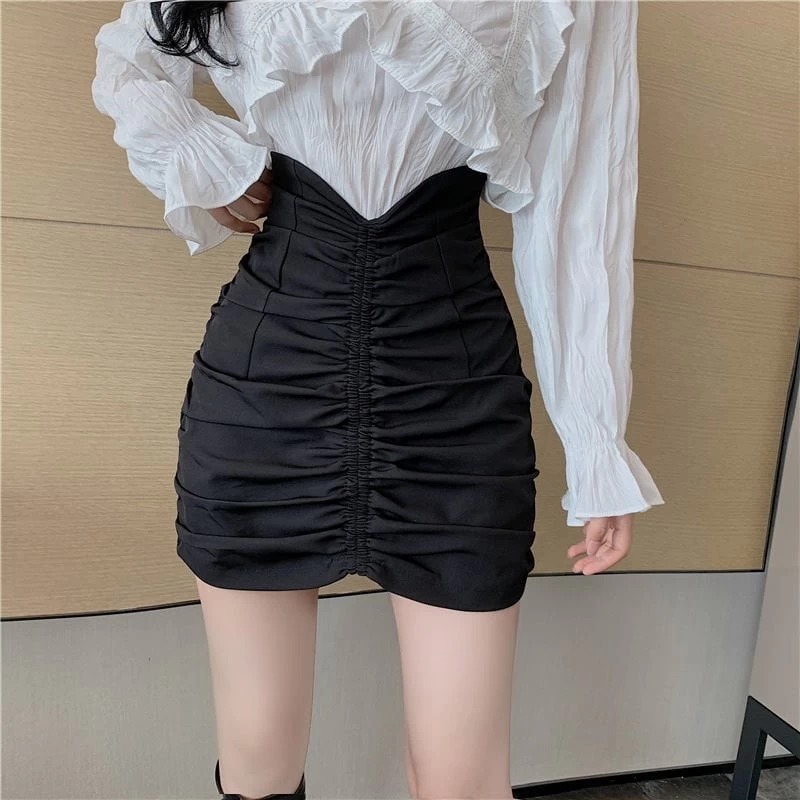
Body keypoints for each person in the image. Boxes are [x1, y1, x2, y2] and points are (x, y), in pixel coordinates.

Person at [91, 1, 665, 798]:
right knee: (257, 767)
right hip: (265, 385)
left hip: (452, 389)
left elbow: (582, 191)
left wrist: (596, 437)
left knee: (462, 782)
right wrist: (197, 152)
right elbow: (129, 60)